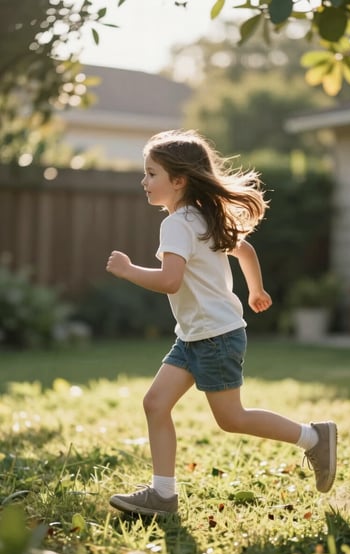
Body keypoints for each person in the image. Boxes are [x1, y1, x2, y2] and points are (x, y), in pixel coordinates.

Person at [106, 129, 337, 516]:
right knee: (155, 403)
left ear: (178, 181)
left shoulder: (178, 223)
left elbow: (169, 280)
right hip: (198, 335)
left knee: (232, 418)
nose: (143, 182)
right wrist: (255, 290)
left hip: (213, 337)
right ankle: (163, 495)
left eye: (151, 174)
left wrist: (129, 270)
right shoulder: (199, 217)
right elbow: (244, 249)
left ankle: (314, 438)